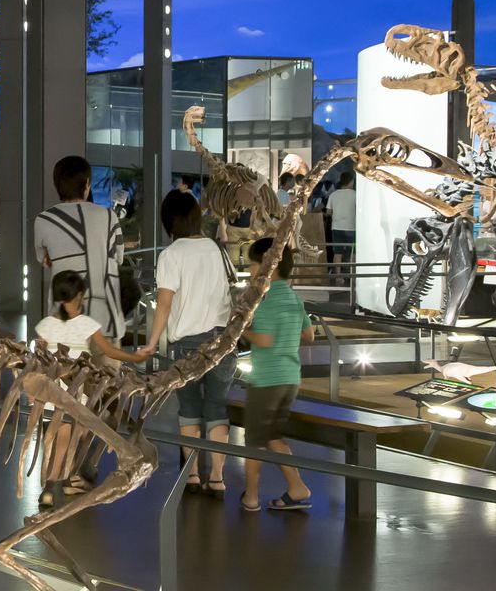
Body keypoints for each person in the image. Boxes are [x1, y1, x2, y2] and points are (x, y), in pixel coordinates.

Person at [142, 193, 236, 497]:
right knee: (217, 406)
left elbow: (165, 304)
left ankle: (193, 475)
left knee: (190, 408)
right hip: (223, 341)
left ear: (169, 221)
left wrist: (152, 343)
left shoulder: (172, 254)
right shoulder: (216, 249)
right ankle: (218, 478)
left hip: (187, 345)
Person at [34, 270, 148, 506]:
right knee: (71, 436)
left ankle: (56, 484)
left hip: (53, 389)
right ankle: (55, 484)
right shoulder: (87, 324)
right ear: (81, 295)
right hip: (74, 391)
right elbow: (109, 351)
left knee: (58, 437)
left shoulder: (46, 324)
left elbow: (40, 352)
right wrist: (136, 358)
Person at [239, 237, 314, 512]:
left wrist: (240, 331)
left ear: (267, 265)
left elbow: (265, 340)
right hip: (290, 377)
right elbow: (309, 335)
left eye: (252, 264)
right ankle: (297, 487)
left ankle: (251, 497)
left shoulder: (267, 299)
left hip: (266, 379)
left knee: (254, 442)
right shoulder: (294, 298)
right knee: (273, 436)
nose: (250, 270)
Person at [35, 155, 125, 336]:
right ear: (87, 185)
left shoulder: (43, 220)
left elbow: (44, 261)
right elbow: (119, 258)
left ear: (57, 185)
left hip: (64, 324)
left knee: (64, 365)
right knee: (106, 364)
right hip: (105, 321)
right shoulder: (109, 217)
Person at [326, 172, 356, 288]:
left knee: (337, 252)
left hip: (336, 227)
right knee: (351, 253)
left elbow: (328, 212)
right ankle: (351, 276)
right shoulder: (354, 195)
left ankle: (338, 276)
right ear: (350, 181)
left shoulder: (334, 195)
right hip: (351, 228)